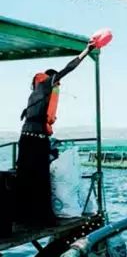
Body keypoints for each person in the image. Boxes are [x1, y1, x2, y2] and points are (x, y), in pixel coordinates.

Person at [16, 42, 95, 226]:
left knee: (25, 177)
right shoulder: (47, 84)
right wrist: (86, 51)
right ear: (52, 79)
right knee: (41, 179)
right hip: (37, 141)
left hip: (26, 139)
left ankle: (24, 217)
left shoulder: (34, 95)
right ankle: (42, 218)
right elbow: (69, 68)